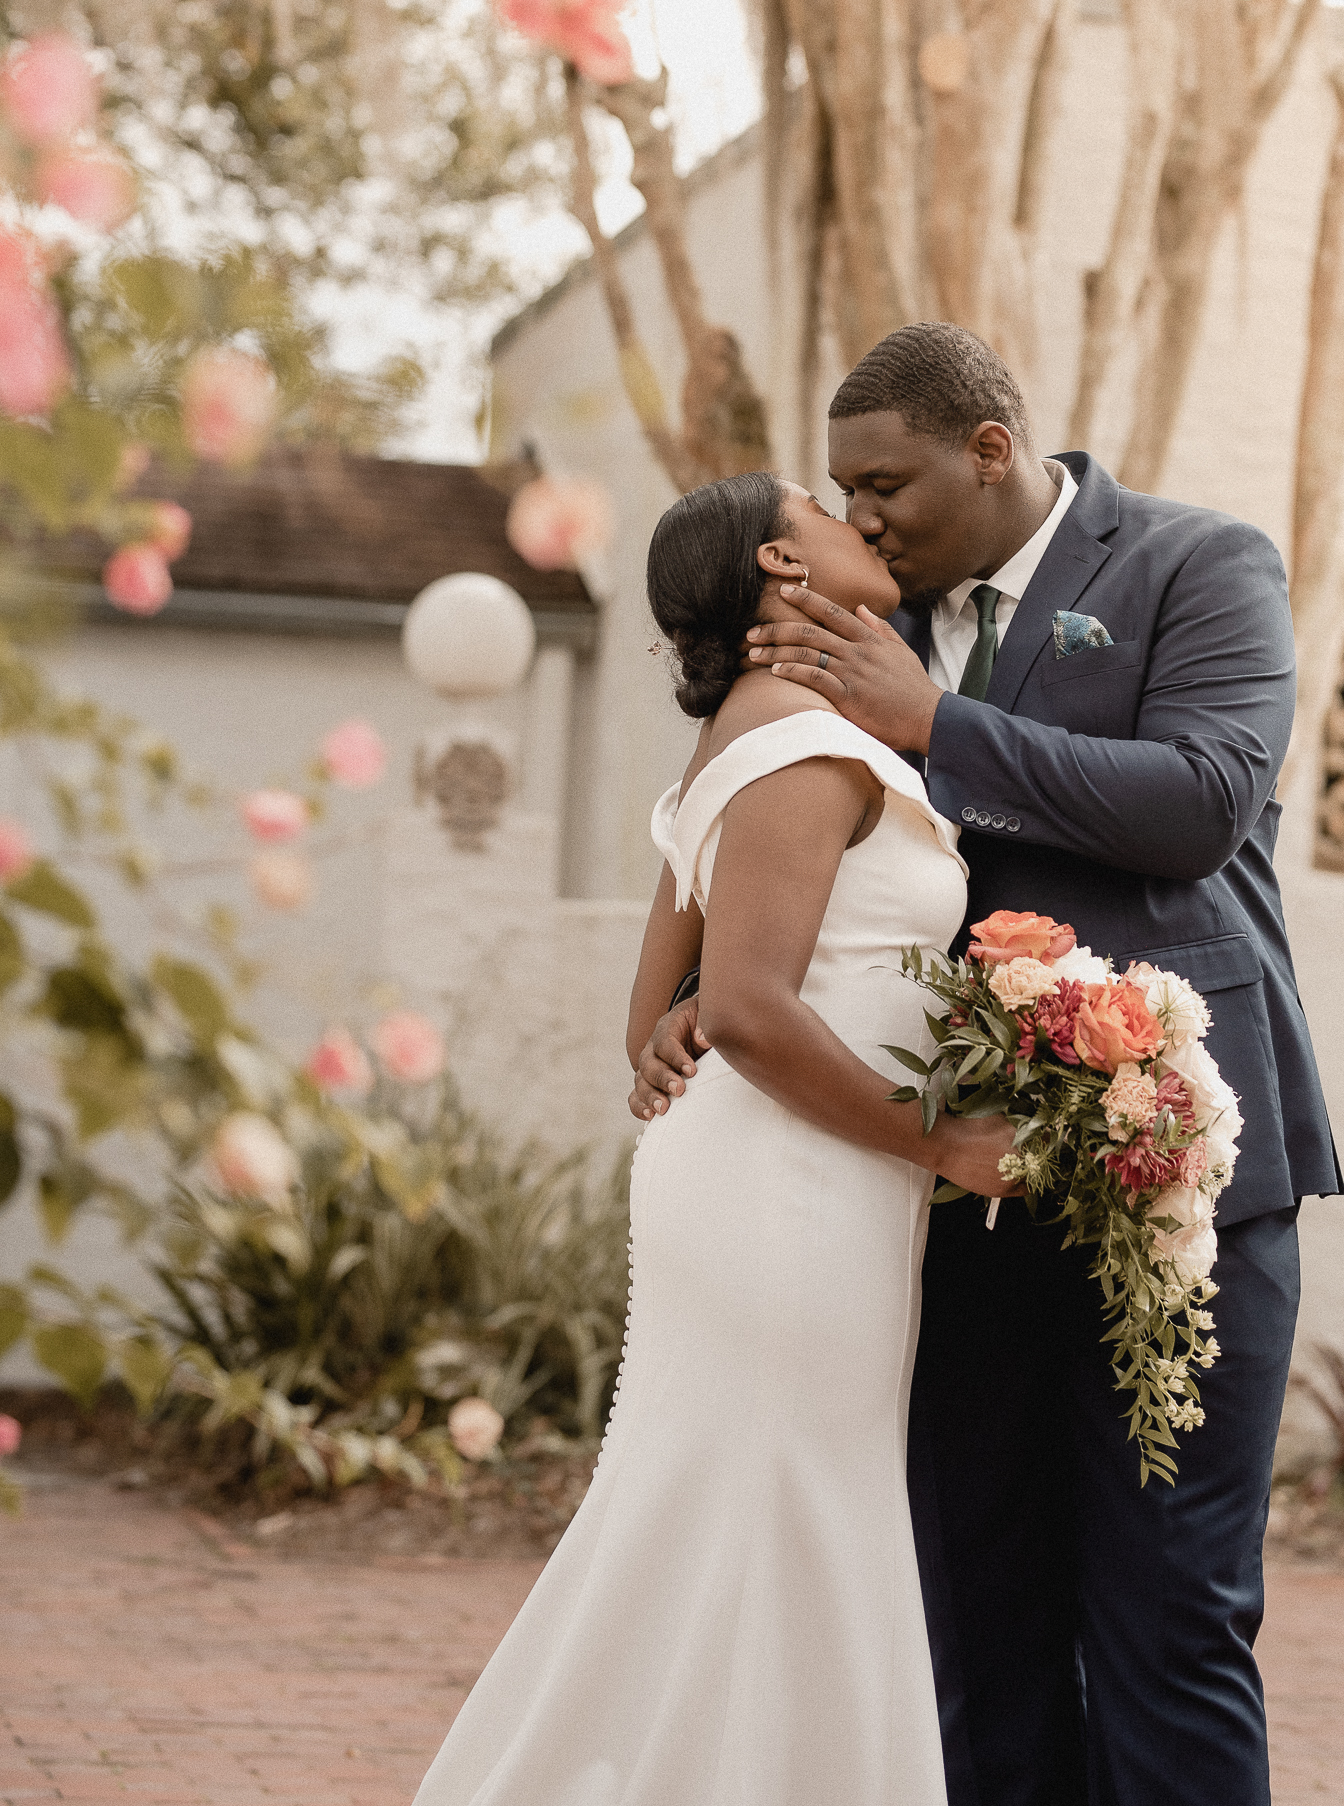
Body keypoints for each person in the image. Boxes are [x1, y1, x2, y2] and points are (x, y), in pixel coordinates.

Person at [633, 322, 1342, 1806]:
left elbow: (1205, 802)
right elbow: (782, 823)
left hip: (1177, 1160)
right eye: (843, 491)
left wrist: (937, 720)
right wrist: (691, 990)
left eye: (884, 481)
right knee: (978, 1617)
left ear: (992, 448)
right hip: (943, 1185)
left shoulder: (1196, 564)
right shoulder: (857, 613)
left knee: (1173, 1614)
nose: (864, 514)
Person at [414, 467, 1017, 1806]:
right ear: (776, 574)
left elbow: (658, 1015)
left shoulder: (763, 729)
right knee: (779, 1508)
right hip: (790, 1195)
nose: (856, 517)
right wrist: (942, 1142)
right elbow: (736, 1006)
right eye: (821, 505)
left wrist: (681, 1044)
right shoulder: (799, 743)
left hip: (785, 1184)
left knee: (749, 1513)